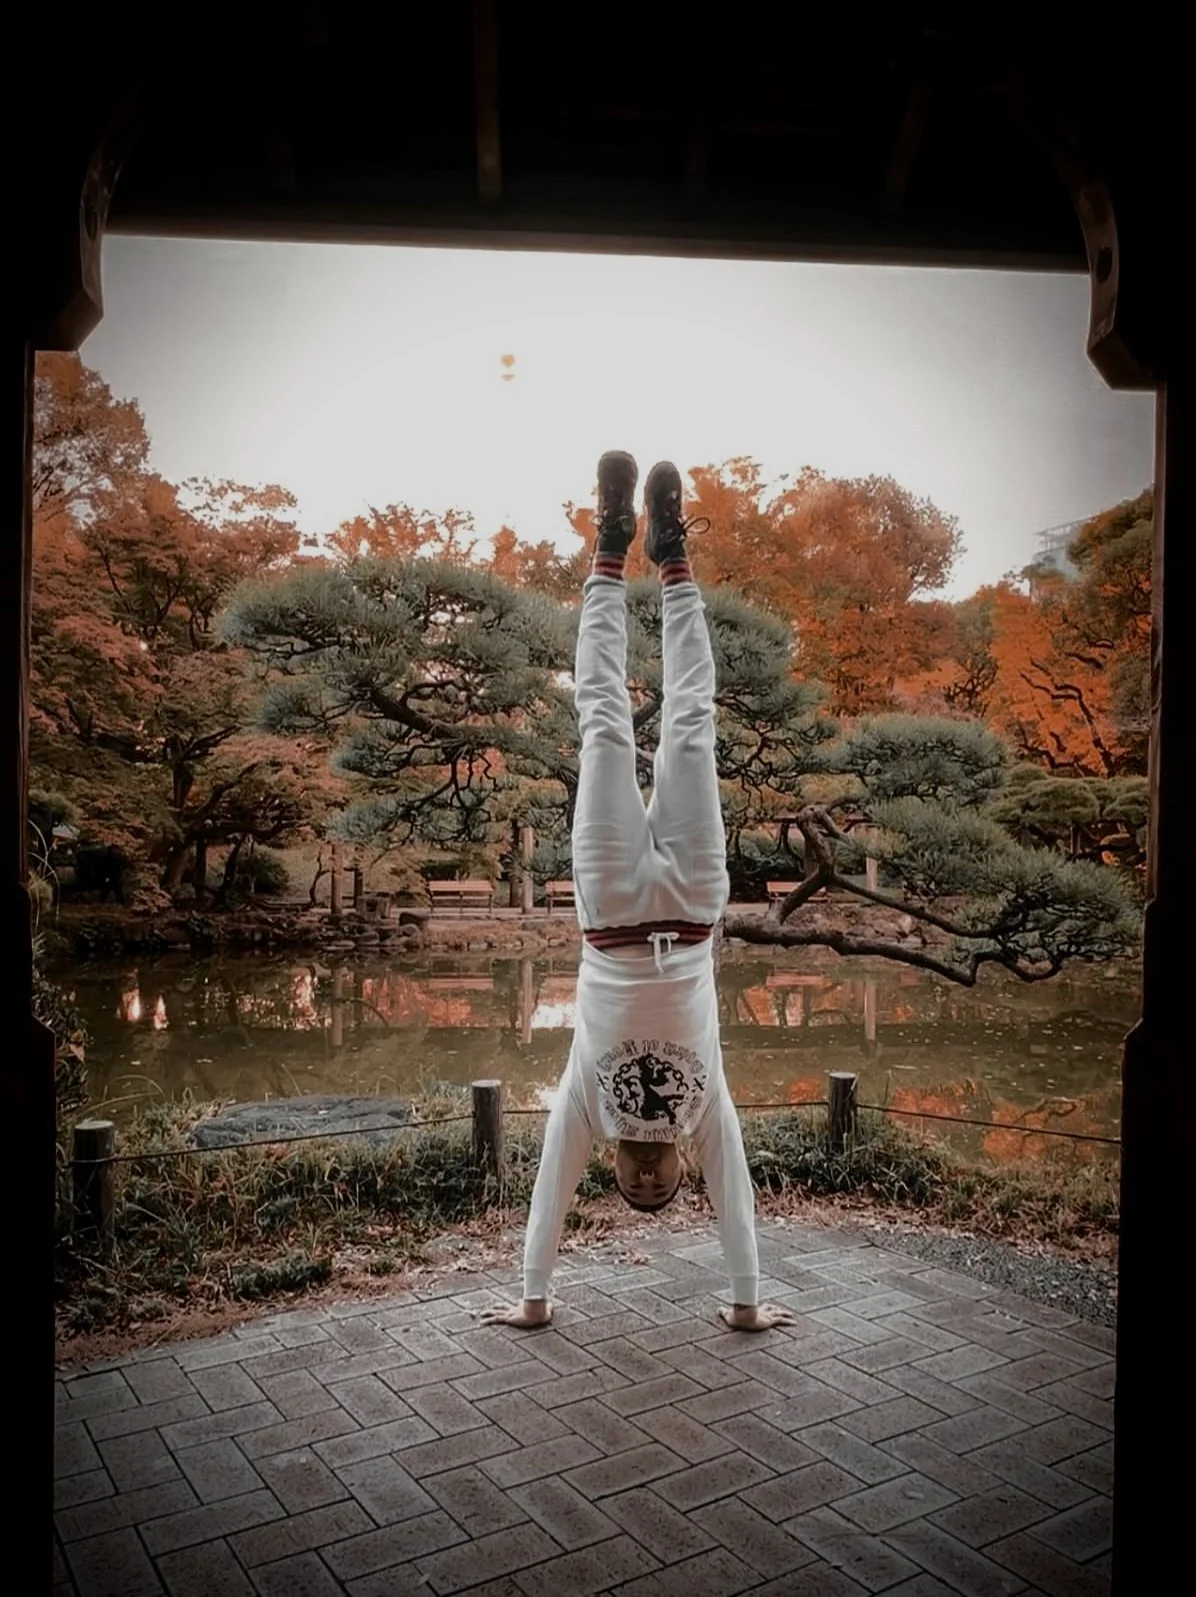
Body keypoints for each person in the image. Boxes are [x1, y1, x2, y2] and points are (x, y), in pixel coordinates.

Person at [482, 452, 793, 1334]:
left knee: (603, 726)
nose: (650, 1181)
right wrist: (743, 1304)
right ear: (682, 1174)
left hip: (611, 911)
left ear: (613, 1168)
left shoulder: (585, 1102)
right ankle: (674, 554)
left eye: (634, 1185)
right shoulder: (707, 1111)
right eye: (662, 1188)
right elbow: (738, 1194)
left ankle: (611, 548)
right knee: (692, 725)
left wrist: (534, 1298)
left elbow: (548, 1185)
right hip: (693, 907)